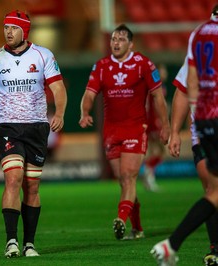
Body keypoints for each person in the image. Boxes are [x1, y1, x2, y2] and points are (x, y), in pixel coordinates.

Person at [0, 10, 67, 258]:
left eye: (14, 28)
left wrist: (59, 113)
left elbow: (58, 87)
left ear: (24, 31)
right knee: (13, 178)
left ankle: (29, 244)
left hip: (36, 127)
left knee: (32, 186)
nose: (8, 32)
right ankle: (11, 241)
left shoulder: (43, 55)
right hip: (8, 127)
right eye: (6, 27)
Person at [79, 24, 170, 241]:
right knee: (123, 180)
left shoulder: (143, 64)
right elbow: (89, 93)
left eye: (121, 39)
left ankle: (121, 218)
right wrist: (85, 112)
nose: (116, 43)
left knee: (129, 177)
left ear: (131, 44)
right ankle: (137, 229)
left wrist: (166, 125)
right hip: (111, 132)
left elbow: (158, 96)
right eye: (113, 39)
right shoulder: (101, 66)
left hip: (135, 128)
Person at [151, 5, 218, 266]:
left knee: (213, 191)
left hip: (204, 122)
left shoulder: (198, 35)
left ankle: (172, 245)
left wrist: (185, 127)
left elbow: (187, 84)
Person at [163, 57, 218, 265]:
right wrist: (175, 131)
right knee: (212, 189)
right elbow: (182, 91)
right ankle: (215, 249)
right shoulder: (198, 53)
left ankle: (172, 244)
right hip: (205, 133)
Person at [142, 63, 168, 192]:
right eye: (162, 71)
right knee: (160, 151)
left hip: (154, 123)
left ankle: (149, 178)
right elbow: (152, 108)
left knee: (153, 152)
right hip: (153, 124)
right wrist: (154, 124)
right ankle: (148, 175)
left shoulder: (159, 87)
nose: (165, 74)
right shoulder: (154, 88)